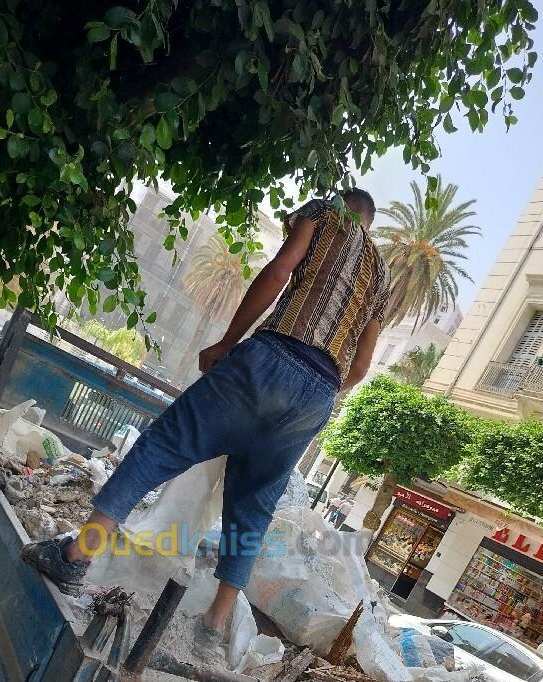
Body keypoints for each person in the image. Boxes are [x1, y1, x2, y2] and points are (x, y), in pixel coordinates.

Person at [22, 189, 390, 658]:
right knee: (252, 508)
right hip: (317, 396)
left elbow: (279, 272)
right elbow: (358, 369)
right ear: (370, 223)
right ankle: (214, 625)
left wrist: (228, 343)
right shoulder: (380, 276)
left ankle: (77, 555)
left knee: (162, 446)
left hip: (273, 357)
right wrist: (311, 394)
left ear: (342, 206)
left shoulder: (323, 214)